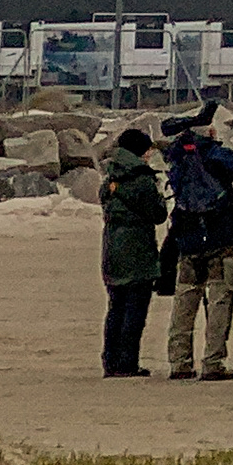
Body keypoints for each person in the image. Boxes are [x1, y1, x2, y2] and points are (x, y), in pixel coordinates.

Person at [160, 106, 233, 382]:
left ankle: (179, 361)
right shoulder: (217, 154)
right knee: (219, 300)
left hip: (187, 237)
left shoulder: (177, 156)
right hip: (220, 238)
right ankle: (213, 361)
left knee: (185, 301)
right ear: (211, 131)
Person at [98, 125, 167, 378]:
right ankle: (127, 362)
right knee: (135, 310)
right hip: (137, 249)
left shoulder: (110, 178)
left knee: (116, 307)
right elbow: (158, 214)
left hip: (112, 247)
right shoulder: (142, 179)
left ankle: (110, 360)